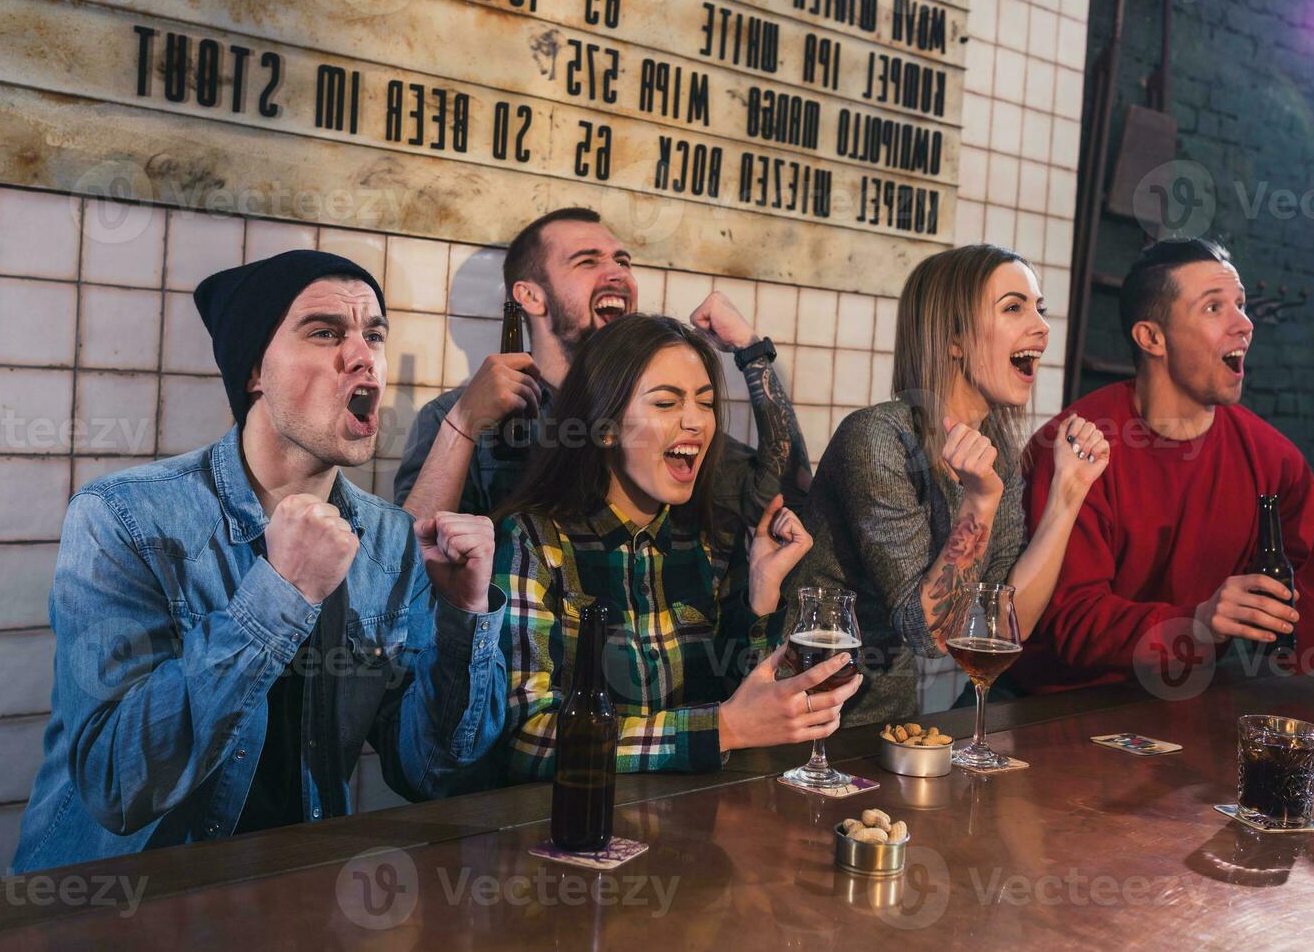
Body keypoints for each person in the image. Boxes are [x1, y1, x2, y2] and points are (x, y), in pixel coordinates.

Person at [12, 251, 507, 873]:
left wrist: (464, 617)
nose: (363, 355)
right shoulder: (125, 519)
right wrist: (279, 592)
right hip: (115, 906)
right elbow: (116, 781)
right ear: (254, 372)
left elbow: (429, 772)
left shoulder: (389, 541)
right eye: (325, 332)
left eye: (374, 335)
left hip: (288, 900)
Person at [1018, 238, 1314, 693]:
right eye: (1214, 308)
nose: (1245, 323)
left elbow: (1299, 652)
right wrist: (1196, 624)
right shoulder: (1075, 445)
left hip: (1184, 703)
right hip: (1055, 706)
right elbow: (1072, 623)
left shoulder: (1272, 460)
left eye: (1241, 304)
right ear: (1152, 337)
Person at [492, 314, 860, 778]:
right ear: (604, 428)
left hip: (695, 825)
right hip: (578, 828)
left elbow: (746, 701)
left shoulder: (708, 540)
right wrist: (720, 729)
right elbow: (530, 739)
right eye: (666, 403)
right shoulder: (533, 541)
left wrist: (762, 593)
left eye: (705, 404)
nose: (694, 422)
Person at [790, 245, 1112, 724]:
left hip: (889, 723)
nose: (1042, 327)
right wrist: (979, 502)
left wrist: (1068, 495)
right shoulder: (878, 440)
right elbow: (928, 634)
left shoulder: (996, 455)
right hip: (804, 721)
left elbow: (1002, 624)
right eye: (1014, 307)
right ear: (954, 338)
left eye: (1039, 309)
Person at [394, 208, 810, 532]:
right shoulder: (456, 418)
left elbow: (783, 499)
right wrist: (464, 422)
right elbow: (404, 565)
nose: (618, 274)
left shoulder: (659, 418)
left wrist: (751, 351)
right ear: (530, 296)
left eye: (623, 261)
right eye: (587, 261)